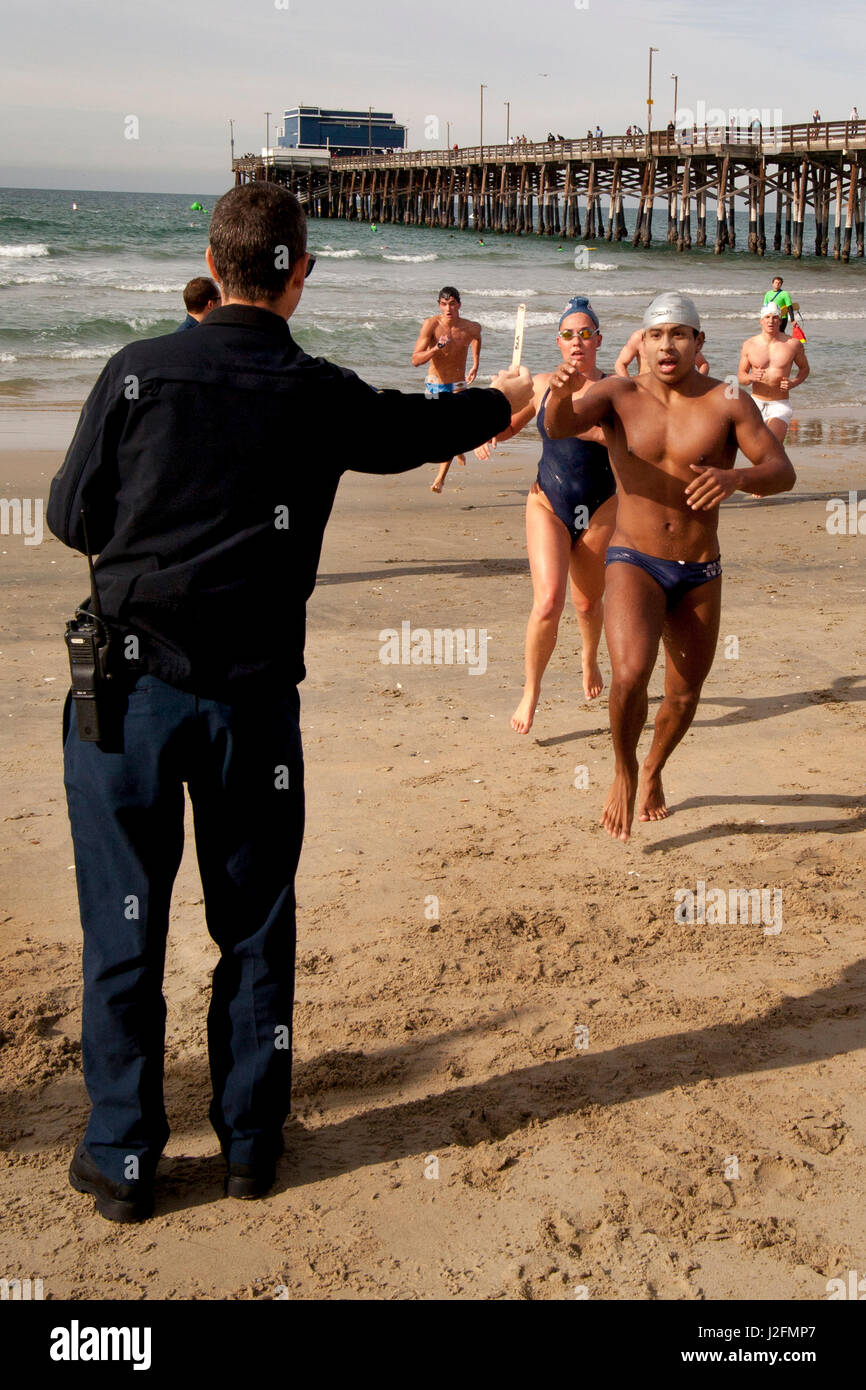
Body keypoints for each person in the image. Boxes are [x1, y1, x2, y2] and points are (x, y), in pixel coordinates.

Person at [47, 181, 531, 1223]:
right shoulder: (312, 389)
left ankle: (125, 1159)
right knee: (254, 926)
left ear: (214, 263)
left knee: (121, 930)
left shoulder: (136, 373)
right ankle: (250, 1147)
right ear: (297, 273)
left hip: (126, 698)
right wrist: (510, 401)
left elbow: (71, 515)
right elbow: (413, 432)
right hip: (252, 706)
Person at [544, 291, 795, 842]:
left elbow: (781, 471)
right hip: (634, 559)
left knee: (684, 695)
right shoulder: (617, 393)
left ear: (698, 342)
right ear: (641, 342)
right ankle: (624, 770)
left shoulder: (729, 400)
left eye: (679, 334)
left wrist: (737, 478)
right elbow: (559, 425)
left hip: (700, 568)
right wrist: (559, 396)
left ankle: (655, 766)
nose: (666, 344)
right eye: (656, 334)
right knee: (631, 674)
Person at [475, 296, 617, 730]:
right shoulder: (540, 385)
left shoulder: (614, 390)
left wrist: (592, 431)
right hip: (547, 501)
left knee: (589, 602)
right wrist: (487, 433)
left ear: (597, 340)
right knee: (548, 603)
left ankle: (589, 659)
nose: (578, 341)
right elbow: (511, 424)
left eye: (586, 333)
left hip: (601, 505)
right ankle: (530, 691)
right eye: (569, 335)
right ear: (559, 342)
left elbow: (639, 445)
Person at [411, 287, 482, 493]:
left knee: (451, 430)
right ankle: (457, 447)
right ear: (439, 305)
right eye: (444, 304)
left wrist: (475, 363)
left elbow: (477, 338)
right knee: (435, 430)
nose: (448, 308)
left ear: (459, 304)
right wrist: (435, 349)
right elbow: (415, 359)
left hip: (458, 385)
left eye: (452, 303)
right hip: (434, 385)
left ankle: (440, 478)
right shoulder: (431, 325)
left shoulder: (470, 327)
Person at [738, 302, 810, 442]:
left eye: (775, 317)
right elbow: (740, 376)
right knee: (754, 447)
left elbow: (805, 369)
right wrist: (751, 377)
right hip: (755, 403)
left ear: (780, 320)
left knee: (773, 444)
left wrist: (793, 383)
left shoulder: (793, 344)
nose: (771, 321)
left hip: (780, 404)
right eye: (767, 317)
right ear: (761, 320)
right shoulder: (749, 345)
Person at [616, 327, 708, 377]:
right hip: (646, 391)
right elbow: (620, 364)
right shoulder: (638, 337)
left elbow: (703, 364)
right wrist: (630, 386)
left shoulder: (680, 340)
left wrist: (696, 385)